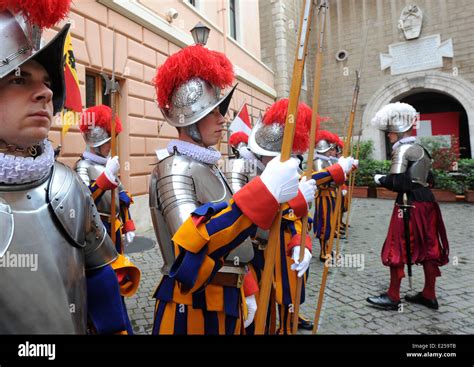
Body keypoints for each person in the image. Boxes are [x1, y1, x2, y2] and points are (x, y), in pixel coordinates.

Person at [149, 42, 302, 334]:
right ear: (191, 120)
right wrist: (264, 193)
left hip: (226, 294)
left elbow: (240, 236)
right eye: (214, 112)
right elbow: (191, 245)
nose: (223, 118)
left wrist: (247, 285)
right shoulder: (174, 169)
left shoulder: (209, 165)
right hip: (191, 303)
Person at [0, 0, 131, 334]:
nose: (46, 92)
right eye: (19, 79)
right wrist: (104, 179)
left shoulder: (65, 184)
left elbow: (102, 290)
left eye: (46, 80)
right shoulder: (81, 173)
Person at [226, 99, 358, 333]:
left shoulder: (285, 173)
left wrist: (302, 243)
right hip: (252, 255)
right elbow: (248, 220)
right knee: (259, 317)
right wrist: (296, 200)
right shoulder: (241, 172)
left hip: (281, 251)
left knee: (288, 299)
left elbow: (299, 220)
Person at [367, 102, 449, 310]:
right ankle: (429, 294)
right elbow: (430, 180)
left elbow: (399, 183)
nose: (388, 136)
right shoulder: (422, 150)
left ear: (398, 132)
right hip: (427, 202)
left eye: (390, 133)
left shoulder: (402, 150)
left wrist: (380, 179)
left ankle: (393, 296)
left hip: (408, 204)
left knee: (396, 246)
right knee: (430, 247)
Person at [75, 105, 141, 334]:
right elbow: (85, 200)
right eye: (107, 141)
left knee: (118, 279)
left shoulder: (107, 163)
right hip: (96, 232)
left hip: (115, 231)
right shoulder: (83, 167)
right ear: (96, 141)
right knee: (105, 281)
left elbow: (121, 197)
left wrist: (129, 223)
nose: (110, 145)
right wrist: (105, 178)